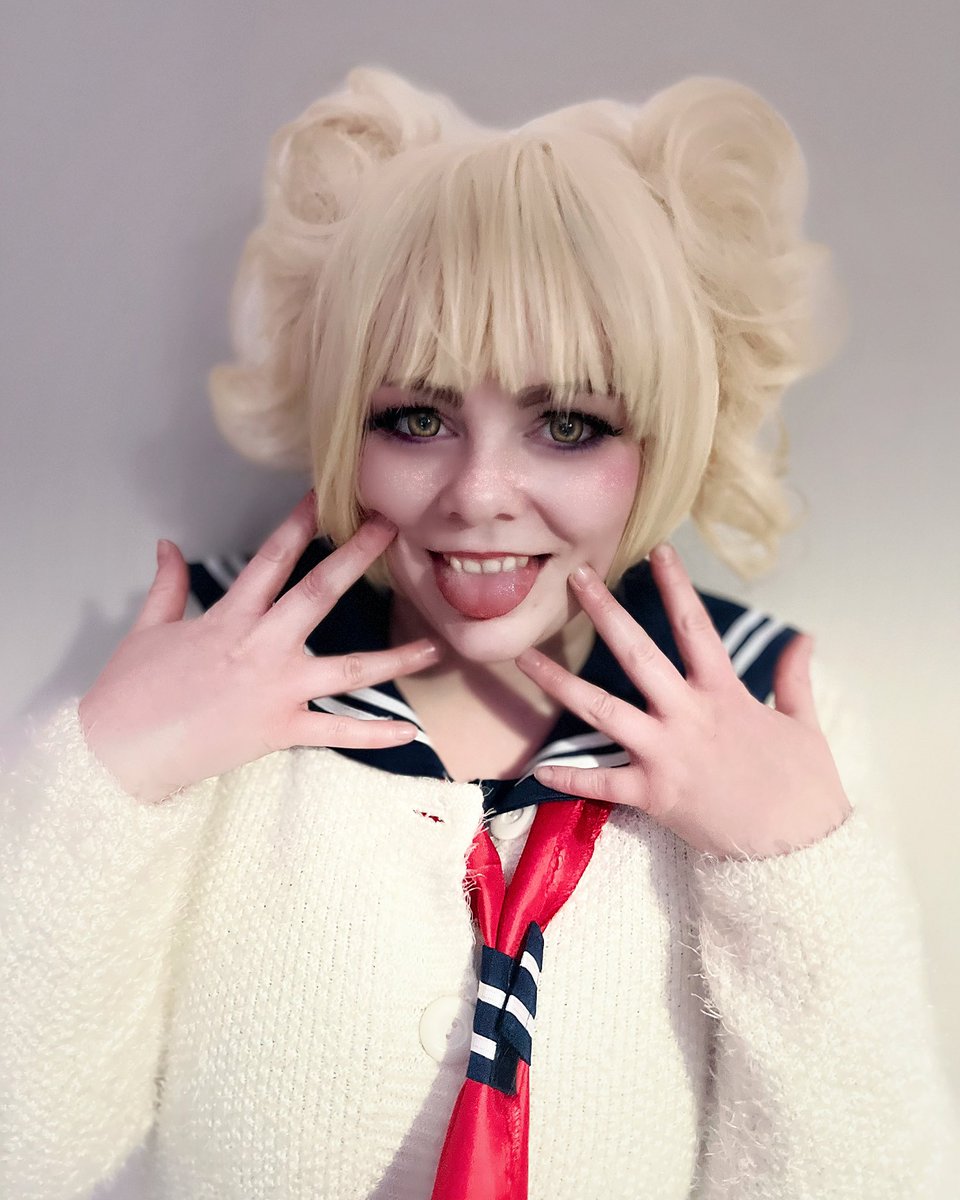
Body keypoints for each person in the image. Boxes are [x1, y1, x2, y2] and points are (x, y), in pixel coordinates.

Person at [2, 66, 957, 1200]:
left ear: (665, 433)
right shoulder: (217, 669)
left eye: (569, 424)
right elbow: (31, 1149)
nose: (479, 495)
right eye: (416, 418)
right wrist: (110, 780)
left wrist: (795, 875)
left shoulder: (769, 708)